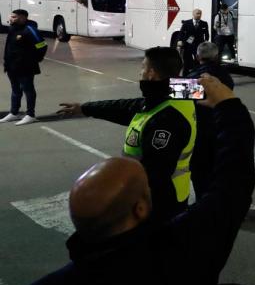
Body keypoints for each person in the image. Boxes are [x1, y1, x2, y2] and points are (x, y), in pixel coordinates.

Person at [8, 75, 255, 285]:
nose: (145, 76)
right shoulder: (179, 253)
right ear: (140, 208)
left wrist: (86, 108)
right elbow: (233, 184)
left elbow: (136, 103)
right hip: (176, 198)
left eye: (149, 70)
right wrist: (230, 107)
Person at [57, 47, 197, 222]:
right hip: (167, 195)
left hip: (159, 202)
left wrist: (124, 199)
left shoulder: (166, 119)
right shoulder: (176, 92)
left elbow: (154, 174)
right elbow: (126, 107)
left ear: (151, 73)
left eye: (143, 67)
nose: (140, 72)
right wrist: (85, 108)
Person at [185, 41, 235, 199]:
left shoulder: (194, 77)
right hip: (221, 131)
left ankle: (204, 202)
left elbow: (175, 97)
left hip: (200, 133)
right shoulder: (225, 77)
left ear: (197, 56)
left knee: (200, 174)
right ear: (216, 56)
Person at [2, 9, 46, 125]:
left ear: (23, 18)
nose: (11, 19)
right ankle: (14, 113)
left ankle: (30, 115)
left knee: (28, 90)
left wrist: (35, 59)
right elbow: (8, 48)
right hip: (12, 66)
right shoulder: (12, 29)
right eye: (11, 16)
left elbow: (42, 45)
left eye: (14, 17)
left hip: (25, 66)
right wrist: (6, 63)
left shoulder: (30, 29)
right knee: (15, 90)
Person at [178, 8, 209, 74]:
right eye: (197, 13)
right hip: (188, 43)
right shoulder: (186, 23)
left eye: (200, 14)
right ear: (193, 14)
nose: (199, 15)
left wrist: (206, 41)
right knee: (187, 60)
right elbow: (181, 32)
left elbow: (206, 34)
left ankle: (197, 73)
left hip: (199, 44)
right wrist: (180, 40)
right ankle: (185, 74)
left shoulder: (204, 23)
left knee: (198, 60)